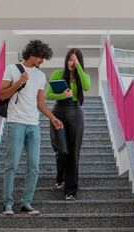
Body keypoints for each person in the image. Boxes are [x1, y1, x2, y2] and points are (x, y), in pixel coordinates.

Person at [0, 40, 63, 215]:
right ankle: (7, 204)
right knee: (11, 164)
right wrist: (19, 82)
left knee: (33, 166)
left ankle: (26, 203)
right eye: (41, 57)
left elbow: (40, 103)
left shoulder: (41, 76)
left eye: (44, 58)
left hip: (33, 125)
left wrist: (53, 118)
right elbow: (2, 94)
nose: (42, 61)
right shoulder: (12, 69)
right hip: (15, 122)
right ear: (32, 54)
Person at [46, 48, 91, 200]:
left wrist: (78, 68)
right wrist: (62, 95)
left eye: (75, 60)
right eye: (70, 60)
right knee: (62, 149)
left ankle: (70, 190)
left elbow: (86, 87)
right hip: (58, 111)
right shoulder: (57, 74)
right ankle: (60, 177)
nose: (72, 63)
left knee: (73, 153)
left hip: (75, 113)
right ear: (66, 60)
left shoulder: (83, 76)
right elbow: (48, 95)